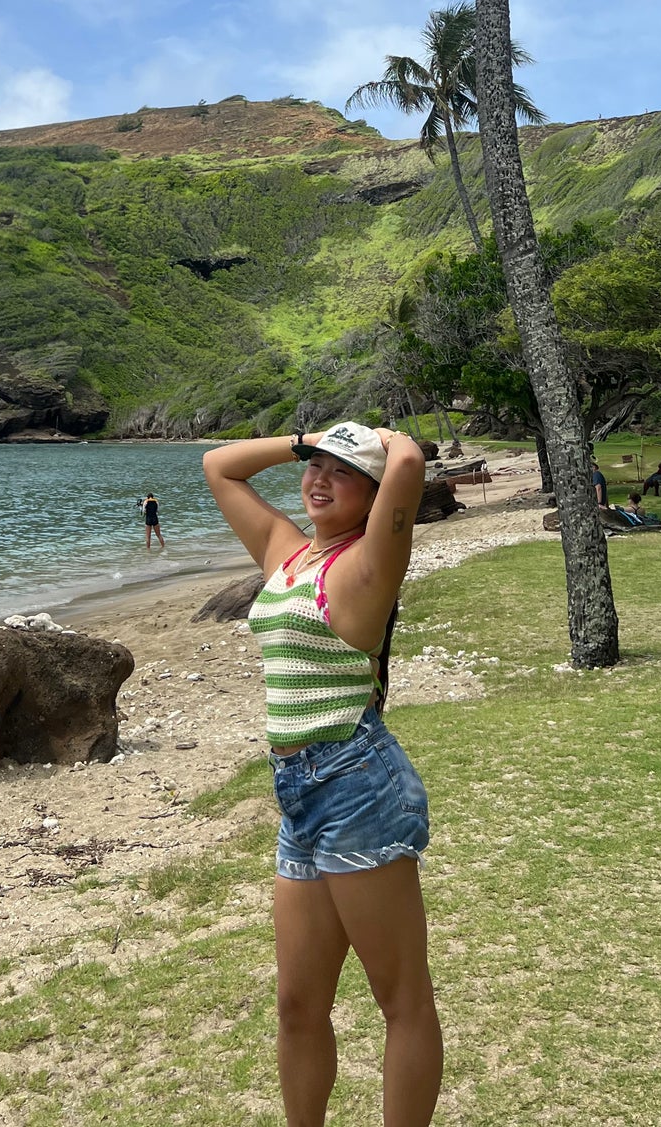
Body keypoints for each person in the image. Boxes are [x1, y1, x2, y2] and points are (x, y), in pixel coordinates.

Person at [203, 422, 442, 1127]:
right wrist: (307, 438)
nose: (318, 478)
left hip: (356, 782)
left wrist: (390, 440)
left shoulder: (371, 561)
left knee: (400, 998)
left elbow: (408, 463)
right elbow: (220, 466)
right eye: (315, 467)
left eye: (342, 471)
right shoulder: (287, 553)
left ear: (373, 495)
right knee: (297, 1004)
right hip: (297, 794)